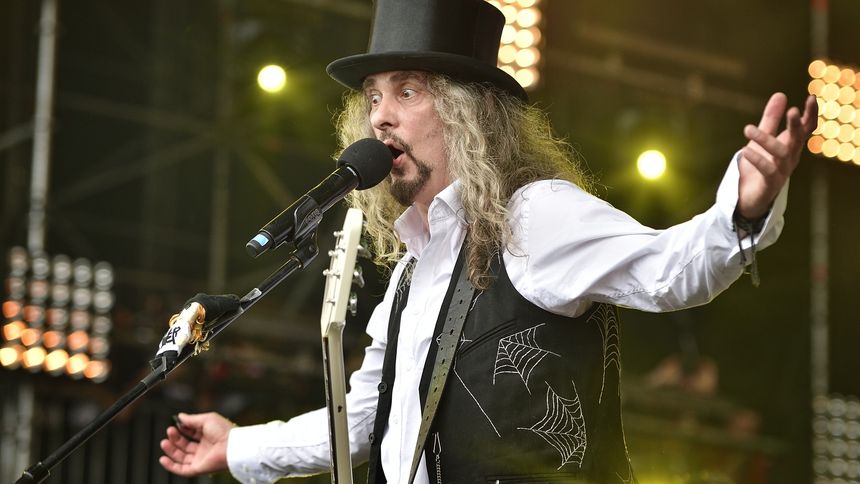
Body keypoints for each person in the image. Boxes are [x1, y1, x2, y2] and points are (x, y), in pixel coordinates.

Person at [158, 0, 817, 482]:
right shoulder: (411, 272)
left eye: (407, 91)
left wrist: (744, 206)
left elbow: (671, 270)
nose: (380, 116)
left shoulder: (534, 217)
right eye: (373, 96)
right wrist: (238, 446)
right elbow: (363, 420)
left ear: (466, 112)